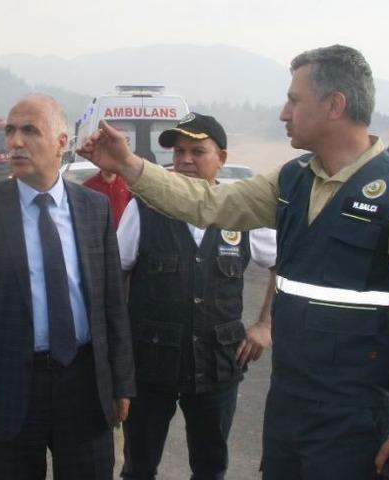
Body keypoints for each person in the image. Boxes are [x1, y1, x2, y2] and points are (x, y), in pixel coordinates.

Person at [77, 44, 389, 480]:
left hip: (357, 416)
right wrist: (129, 164)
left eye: (294, 101)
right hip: (289, 408)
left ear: (334, 105)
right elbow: (209, 202)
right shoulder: (293, 179)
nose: (283, 112)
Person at [0, 94, 136, 480]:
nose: (15, 141)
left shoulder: (93, 208)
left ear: (61, 142)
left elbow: (112, 303)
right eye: (10, 131)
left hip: (83, 383)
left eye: (29, 131)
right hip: (7, 388)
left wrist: (121, 381)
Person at [116, 112, 277, 480]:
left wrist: (266, 323)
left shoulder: (243, 213)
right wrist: (119, 346)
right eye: (179, 151)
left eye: (197, 151)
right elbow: (117, 272)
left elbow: (286, 263)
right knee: (138, 467)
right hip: (151, 364)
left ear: (221, 157)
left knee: (210, 468)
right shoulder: (144, 207)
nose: (185, 160)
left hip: (219, 364)